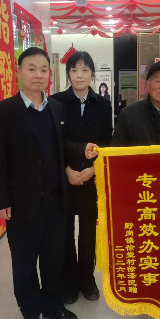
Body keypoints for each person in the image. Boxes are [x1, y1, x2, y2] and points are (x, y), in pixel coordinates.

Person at [0, 47, 95, 319]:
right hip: (21, 203)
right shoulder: (2, 112)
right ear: (19, 72)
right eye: (31, 69)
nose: (38, 75)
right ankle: (30, 313)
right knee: (24, 263)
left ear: (50, 73)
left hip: (56, 200)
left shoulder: (57, 109)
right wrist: (1, 200)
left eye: (43, 69)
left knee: (53, 259)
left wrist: (81, 150)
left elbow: (61, 147)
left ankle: (53, 305)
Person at [50, 51, 113, 304]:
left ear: (92, 74)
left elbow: (107, 142)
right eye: (74, 70)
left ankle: (87, 279)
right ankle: (69, 281)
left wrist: (92, 170)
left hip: (91, 176)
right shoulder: (56, 102)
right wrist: (67, 170)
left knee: (88, 231)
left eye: (85, 70)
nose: (79, 75)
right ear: (68, 74)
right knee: (64, 231)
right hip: (64, 177)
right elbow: (54, 141)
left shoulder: (103, 104)